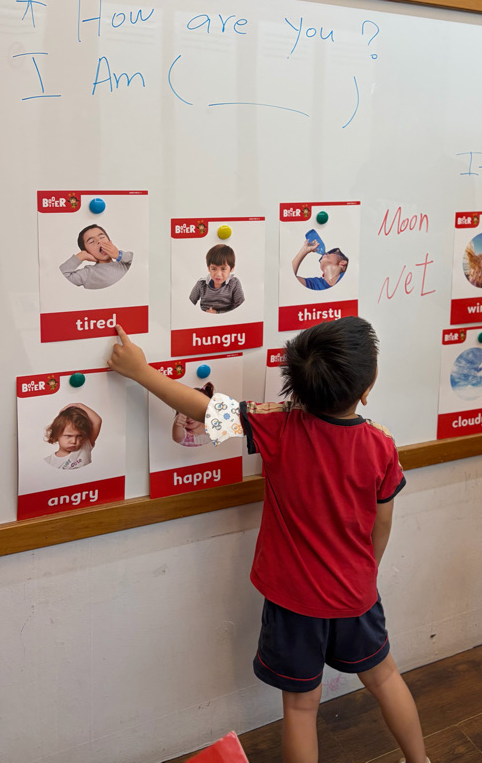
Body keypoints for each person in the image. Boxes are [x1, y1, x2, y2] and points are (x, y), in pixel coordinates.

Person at [107, 317, 430, 763]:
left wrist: (141, 372)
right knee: (385, 677)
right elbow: (383, 522)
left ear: (295, 384)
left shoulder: (280, 425)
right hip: (356, 593)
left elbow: (207, 409)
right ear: (367, 387)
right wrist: (365, 573)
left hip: (293, 600)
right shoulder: (381, 444)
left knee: (300, 707)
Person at [60, 224, 132, 289]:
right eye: (91, 241)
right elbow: (61, 277)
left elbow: (135, 259)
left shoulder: (124, 264)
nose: (99, 241)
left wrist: (118, 255)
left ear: (110, 241)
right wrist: (81, 256)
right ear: (87, 252)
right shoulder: (88, 273)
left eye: (102, 237)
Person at [43, 403, 102, 469]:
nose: (74, 441)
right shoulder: (49, 462)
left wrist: (78, 405)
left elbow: (97, 421)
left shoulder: (85, 447)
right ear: (56, 434)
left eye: (79, 436)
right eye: (68, 436)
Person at [189, 245, 245, 313]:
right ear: (208, 268)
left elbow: (241, 307)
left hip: (228, 317)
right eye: (213, 269)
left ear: (231, 269)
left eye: (223, 269)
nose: (218, 274)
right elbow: (189, 304)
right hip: (205, 317)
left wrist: (217, 313)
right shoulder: (201, 284)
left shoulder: (234, 283)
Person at [172, 382, 215, 447]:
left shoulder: (213, 425)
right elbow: (177, 438)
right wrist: (178, 424)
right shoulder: (185, 434)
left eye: (195, 410)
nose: (189, 417)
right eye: (185, 412)